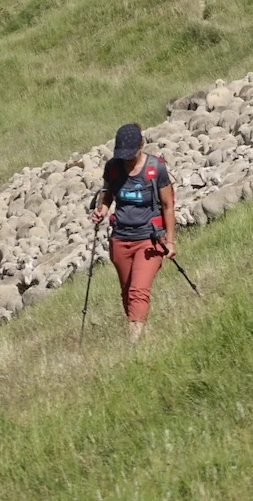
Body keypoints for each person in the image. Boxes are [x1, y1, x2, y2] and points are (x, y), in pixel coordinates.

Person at [92, 123, 176, 344]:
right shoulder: (113, 167)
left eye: (131, 154)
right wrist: (101, 210)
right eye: (123, 155)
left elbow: (168, 206)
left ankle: (133, 345)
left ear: (141, 145)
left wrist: (171, 241)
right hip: (120, 238)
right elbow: (107, 195)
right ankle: (139, 332)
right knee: (127, 291)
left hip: (150, 238)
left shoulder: (156, 168)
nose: (127, 159)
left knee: (138, 290)